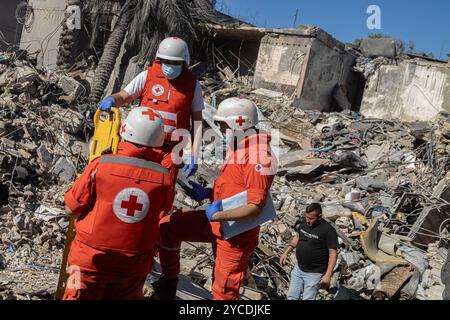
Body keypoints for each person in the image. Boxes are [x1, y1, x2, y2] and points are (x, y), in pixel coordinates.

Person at [154, 97, 277, 300]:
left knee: (224, 292)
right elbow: (236, 186)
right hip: (219, 221)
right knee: (168, 227)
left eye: (223, 126)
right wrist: (209, 192)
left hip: (236, 234)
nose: (221, 130)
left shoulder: (258, 156)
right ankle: (169, 281)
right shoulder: (241, 147)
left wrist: (219, 213)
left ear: (240, 124)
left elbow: (255, 206)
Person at [63, 107, 174, 300]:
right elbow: (163, 214)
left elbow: (71, 207)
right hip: (133, 266)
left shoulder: (101, 165)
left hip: (89, 261)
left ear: (124, 130)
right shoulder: (164, 178)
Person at [97, 37, 204, 180]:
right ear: (159, 59)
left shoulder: (193, 84)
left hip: (171, 150)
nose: (170, 66)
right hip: (140, 145)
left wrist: (194, 155)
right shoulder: (148, 75)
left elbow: (197, 122)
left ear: (184, 62)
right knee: (125, 178)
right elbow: (124, 96)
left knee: (163, 188)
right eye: (166, 61)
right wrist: (112, 99)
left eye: (175, 63)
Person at [280, 203, 338, 300]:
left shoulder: (328, 230)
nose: (307, 220)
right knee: (291, 296)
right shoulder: (304, 222)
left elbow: (333, 253)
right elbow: (297, 237)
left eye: (311, 218)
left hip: (314, 274)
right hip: (298, 268)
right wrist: (286, 252)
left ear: (319, 216)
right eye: (306, 217)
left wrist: (328, 275)